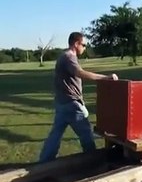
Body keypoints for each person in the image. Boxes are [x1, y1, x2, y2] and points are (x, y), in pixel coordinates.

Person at [39, 32, 118, 162]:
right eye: (84, 44)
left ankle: (44, 162)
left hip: (62, 103)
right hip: (72, 104)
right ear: (76, 44)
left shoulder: (64, 56)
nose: (85, 47)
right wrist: (105, 78)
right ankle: (93, 161)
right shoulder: (69, 57)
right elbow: (80, 73)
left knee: (55, 135)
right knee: (86, 134)